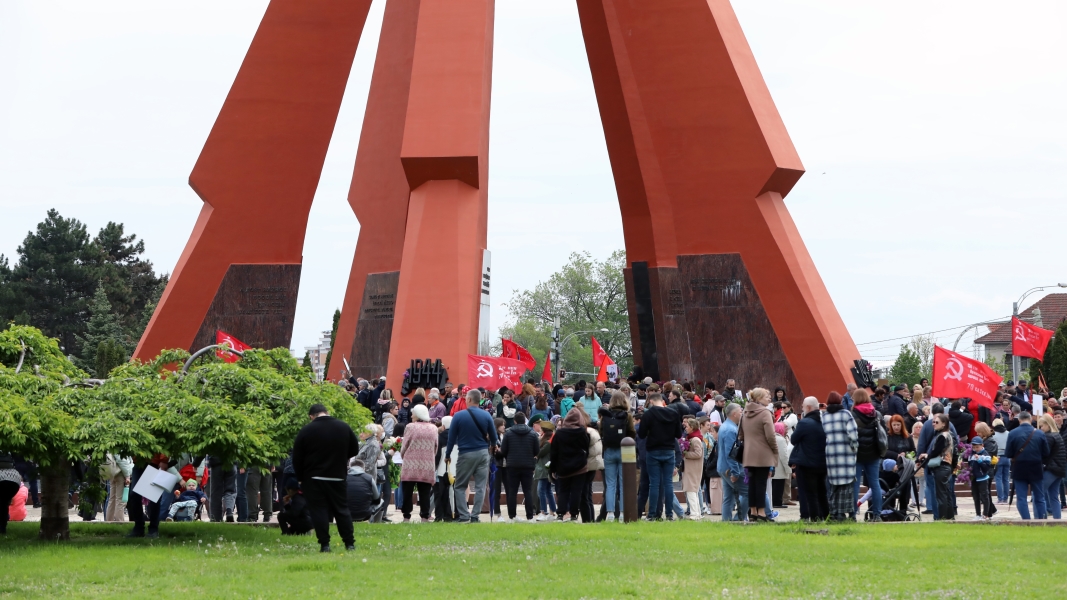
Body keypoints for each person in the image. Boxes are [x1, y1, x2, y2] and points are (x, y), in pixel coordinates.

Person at [292, 403, 360, 552]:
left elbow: (296, 457)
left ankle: (325, 545)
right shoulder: (343, 427)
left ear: (311, 416)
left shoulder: (306, 430)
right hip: (338, 476)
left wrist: (300, 477)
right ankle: (349, 543)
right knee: (341, 510)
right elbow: (354, 449)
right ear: (327, 412)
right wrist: (340, 458)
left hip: (313, 478)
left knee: (319, 511)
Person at [446, 389, 498, 523]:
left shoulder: (458, 416)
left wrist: (448, 455)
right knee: (481, 486)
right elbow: (494, 437)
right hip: (482, 453)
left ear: (468, 400)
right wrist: (492, 446)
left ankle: (464, 516)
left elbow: (451, 439)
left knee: (460, 486)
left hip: (465, 454)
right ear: (479, 400)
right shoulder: (486, 415)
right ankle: (475, 516)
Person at [638, 392, 684, 521]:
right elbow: (679, 434)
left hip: (653, 451)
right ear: (662, 401)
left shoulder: (648, 415)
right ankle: (669, 514)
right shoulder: (673, 414)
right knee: (668, 484)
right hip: (669, 450)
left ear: (651, 401)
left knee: (654, 484)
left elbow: (641, 434)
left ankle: (652, 514)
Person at [737, 387, 778, 521]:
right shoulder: (765, 413)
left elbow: (741, 435)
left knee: (752, 483)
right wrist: (775, 450)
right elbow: (771, 436)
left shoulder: (745, 413)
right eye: (767, 396)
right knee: (761, 483)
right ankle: (761, 513)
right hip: (763, 453)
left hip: (748, 454)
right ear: (759, 398)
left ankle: (753, 511)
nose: (769, 398)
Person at [599, 391, 636, 521]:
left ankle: (610, 513)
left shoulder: (605, 416)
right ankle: (621, 513)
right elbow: (632, 433)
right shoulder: (627, 416)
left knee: (610, 484)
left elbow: (601, 432)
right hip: (624, 451)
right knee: (623, 483)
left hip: (609, 450)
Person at [1006, 411, 1050, 520]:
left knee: (1021, 497)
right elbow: (1046, 452)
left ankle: (1026, 520)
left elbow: (1008, 453)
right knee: (1039, 497)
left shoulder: (1012, 433)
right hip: (1036, 466)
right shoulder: (1040, 433)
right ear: (1031, 420)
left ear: (1019, 420)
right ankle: (1041, 520)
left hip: (1019, 467)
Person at [790, 397, 828, 521]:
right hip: (822, 462)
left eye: (803, 406)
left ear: (808, 408)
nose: (802, 409)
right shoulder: (825, 421)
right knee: (822, 491)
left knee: (809, 492)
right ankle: (825, 515)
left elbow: (793, 439)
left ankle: (814, 517)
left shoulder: (804, 423)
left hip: (806, 463)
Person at [497, 412, 539, 522]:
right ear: (525, 420)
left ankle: (512, 516)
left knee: (512, 491)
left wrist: (503, 454)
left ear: (515, 421)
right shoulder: (532, 433)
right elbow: (536, 451)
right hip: (528, 465)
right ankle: (530, 516)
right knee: (528, 491)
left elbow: (504, 451)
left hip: (512, 465)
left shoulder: (508, 433)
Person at [550, 408, 591, 522]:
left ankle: (560, 513)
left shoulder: (559, 433)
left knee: (563, 490)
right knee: (576, 491)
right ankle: (573, 514)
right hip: (579, 466)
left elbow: (554, 452)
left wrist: (553, 468)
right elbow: (586, 447)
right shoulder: (582, 432)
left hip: (563, 466)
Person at [399, 404, 438, 523]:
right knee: (425, 492)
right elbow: (435, 447)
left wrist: (403, 455)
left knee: (407, 491)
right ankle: (425, 517)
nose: (411, 415)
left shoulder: (410, 427)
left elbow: (405, 445)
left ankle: (406, 516)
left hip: (411, 463)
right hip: (427, 464)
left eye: (413, 413)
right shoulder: (434, 428)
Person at [850, 389, 885, 521]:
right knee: (875, 484)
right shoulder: (877, 414)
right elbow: (883, 433)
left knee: (855, 485)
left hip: (857, 455)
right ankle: (877, 514)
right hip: (873, 454)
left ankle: (853, 514)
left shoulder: (852, 414)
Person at [823, 391, 858, 522]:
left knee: (834, 486)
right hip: (846, 454)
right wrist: (854, 448)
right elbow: (853, 434)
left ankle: (834, 513)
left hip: (831, 454)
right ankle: (847, 514)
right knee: (847, 485)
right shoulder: (846, 414)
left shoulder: (825, 416)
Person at [919, 414, 955, 521]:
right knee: (946, 493)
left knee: (941, 495)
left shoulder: (942, 436)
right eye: (933, 422)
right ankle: (949, 517)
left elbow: (936, 451)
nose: (934, 424)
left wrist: (926, 455)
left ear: (944, 424)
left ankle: (942, 518)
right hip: (946, 467)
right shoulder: (947, 434)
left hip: (941, 466)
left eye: (937, 422)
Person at [717, 403, 748, 521]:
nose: (742, 414)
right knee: (747, 493)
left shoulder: (725, 426)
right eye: (740, 412)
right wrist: (735, 472)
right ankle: (738, 519)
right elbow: (731, 454)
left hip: (723, 467)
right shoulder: (730, 429)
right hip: (730, 468)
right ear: (734, 414)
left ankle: (726, 521)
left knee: (728, 496)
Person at [1037, 414, 1065, 520]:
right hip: (1059, 469)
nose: (1041, 429)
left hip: (1051, 469)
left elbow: (1045, 454)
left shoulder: (1048, 437)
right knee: (1054, 496)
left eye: (1042, 426)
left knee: (1038, 494)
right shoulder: (1057, 435)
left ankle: (1041, 518)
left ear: (1048, 425)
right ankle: (1057, 520)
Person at [534, 420, 557, 521]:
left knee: (541, 490)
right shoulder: (549, 441)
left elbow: (538, 453)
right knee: (548, 490)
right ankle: (552, 511)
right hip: (546, 467)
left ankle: (543, 511)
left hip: (543, 468)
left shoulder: (547, 443)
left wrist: (539, 439)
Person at [967, 436, 994, 521]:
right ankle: (978, 514)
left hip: (982, 478)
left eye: (977, 447)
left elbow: (986, 468)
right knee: (976, 496)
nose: (976, 449)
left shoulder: (986, 455)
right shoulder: (971, 454)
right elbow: (970, 464)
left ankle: (985, 514)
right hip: (974, 478)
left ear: (982, 445)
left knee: (984, 496)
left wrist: (979, 460)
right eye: (974, 447)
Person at [0, 454, 22, 534]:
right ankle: (2, 528)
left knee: (2, 504)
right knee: (4, 504)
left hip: (2, 479)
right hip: (15, 479)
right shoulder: (8, 455)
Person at [772, 423, 792, 508]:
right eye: (785, 428)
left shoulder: (772, 437)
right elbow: (784, 455)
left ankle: (774, 502)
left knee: (773, 486)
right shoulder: (781, 440)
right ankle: (777, 503)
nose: (786, 429)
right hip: (779, 467)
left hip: (772, 466)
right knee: (779, 486)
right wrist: (788, 468)